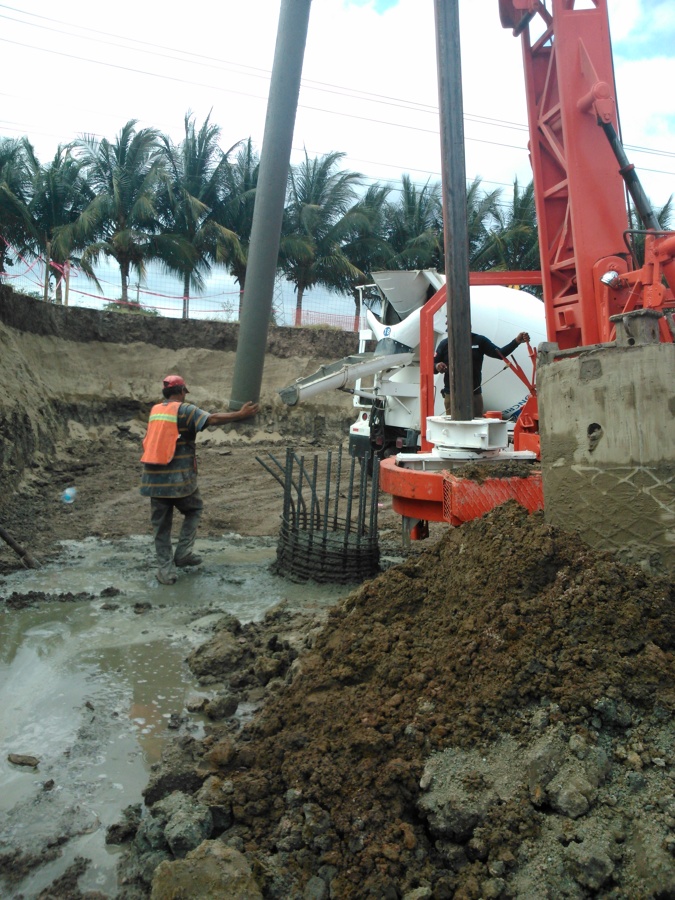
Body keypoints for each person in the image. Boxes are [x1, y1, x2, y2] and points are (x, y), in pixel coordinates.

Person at [140, 375, 259, 585]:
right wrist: (240, 414)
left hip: (153, 480)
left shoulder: (155, 410)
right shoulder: (185, 410)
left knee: (161, 528)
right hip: (179, 480)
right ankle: (183, 553)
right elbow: (211, 419)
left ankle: (166, 573)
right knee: (194, 509)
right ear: (182, 391)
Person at [434, 330, 530, 417]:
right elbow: (432, 367)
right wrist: (437, 366)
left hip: (474, 393)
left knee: (477, 425)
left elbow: (500, 354)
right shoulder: (445, 344)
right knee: (454, 427)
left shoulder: (479, 340)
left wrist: (516, 341)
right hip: (451, 394)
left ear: (469, 325)